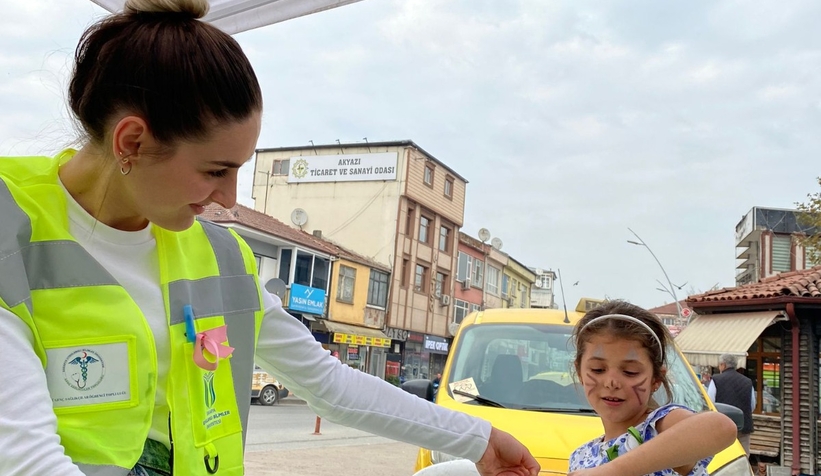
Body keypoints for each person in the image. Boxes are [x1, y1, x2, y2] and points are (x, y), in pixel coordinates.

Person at [0, 1, 539, 475]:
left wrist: (479, 440)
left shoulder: (218, 256)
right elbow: (25, 457)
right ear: (132, 141)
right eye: (215, 170)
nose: (230, 199)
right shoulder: (9, 230)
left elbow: (327, 382)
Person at [567, 301, 736, 475]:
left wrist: (612, 471)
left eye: (630, 372)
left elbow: (721, 427)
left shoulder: (657, 428)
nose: (612, 382)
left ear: (656, 379)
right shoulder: (580, 457)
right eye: (598, 369)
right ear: (579, 371)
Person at [708, 354, 756, 458]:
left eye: (719, 365)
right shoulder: (747, 382)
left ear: (723, 365)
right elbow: (752, 406)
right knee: (742, 458)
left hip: (722, 428)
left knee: (723, 458)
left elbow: (710, 403)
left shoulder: (716, 380)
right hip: (743, 428)